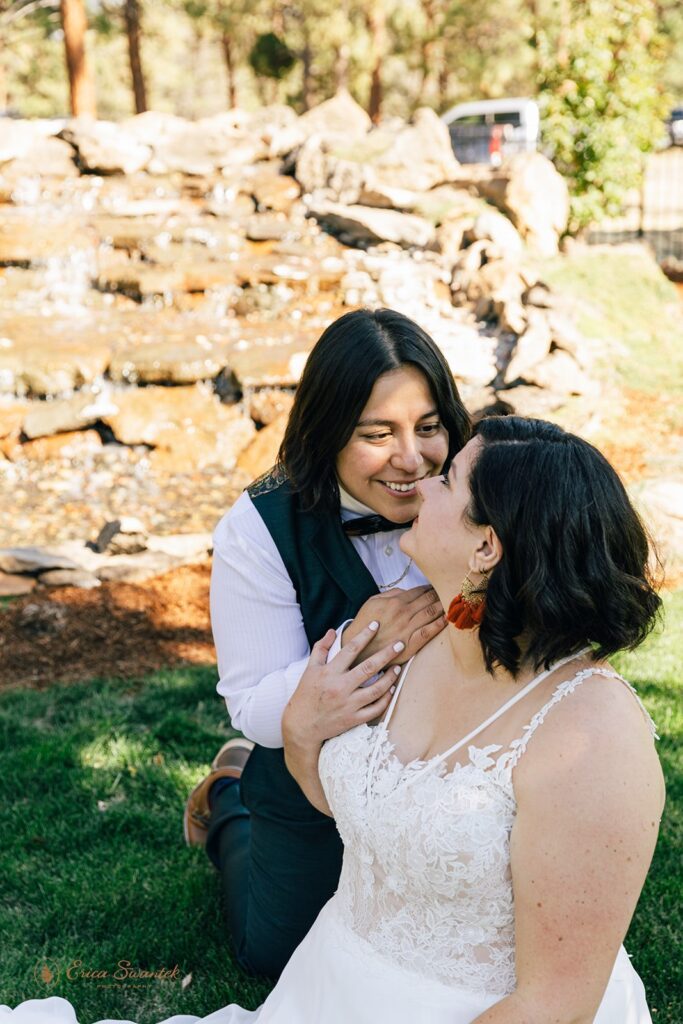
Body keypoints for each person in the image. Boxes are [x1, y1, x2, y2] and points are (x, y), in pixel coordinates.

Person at [5, 415, 664, 1024]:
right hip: (331, 986)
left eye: (447, 478)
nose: (421, 482)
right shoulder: (399, 633)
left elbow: (557, 1003)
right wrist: (301, 734)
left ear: (486, 546)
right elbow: (352, 806)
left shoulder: (588, 735)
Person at [184, 307, 471, 977]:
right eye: (377, 434)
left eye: (428, 427)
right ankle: (229, 798)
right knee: (277, 958)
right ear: (327, 431)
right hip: (313, 773)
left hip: (455, 772)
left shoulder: (478, 486)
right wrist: (366, 643)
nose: (411, 458)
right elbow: (252, 702)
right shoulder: (259, 526)